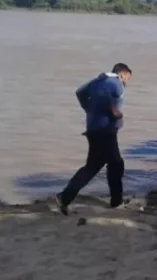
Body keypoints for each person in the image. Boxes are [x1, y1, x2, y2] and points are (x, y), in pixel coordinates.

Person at [55, 63, 132, 215]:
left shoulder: (98, 81)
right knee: (112, 165)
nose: (126, 82)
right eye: (127, 78)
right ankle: (115, 202)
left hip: (95, 129)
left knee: (101, 165)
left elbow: (80, 92)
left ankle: (66, 197)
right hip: (105, 130)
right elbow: (104, 95)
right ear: (122, 73)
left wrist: (89, 109)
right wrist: (114, 110)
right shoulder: (115, 82)